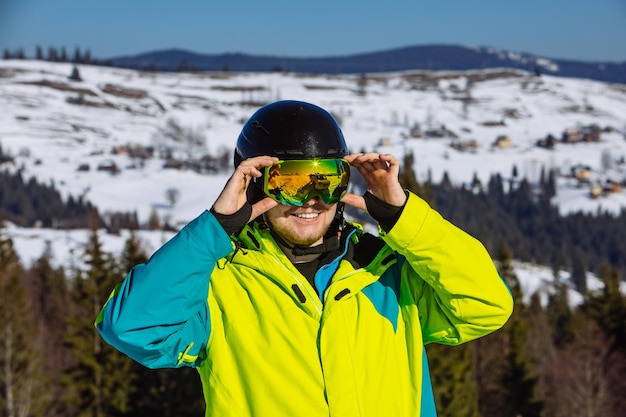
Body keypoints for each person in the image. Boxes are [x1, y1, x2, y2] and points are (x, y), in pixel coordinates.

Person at [96, 100, 513, 416]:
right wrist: (215, 230)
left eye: (326, 180)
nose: (310, 200)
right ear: (256, 185)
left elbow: (485, 305)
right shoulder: (220, 285)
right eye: (289, 182)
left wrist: (405, 219)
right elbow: (133, 329)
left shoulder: (386, 274)